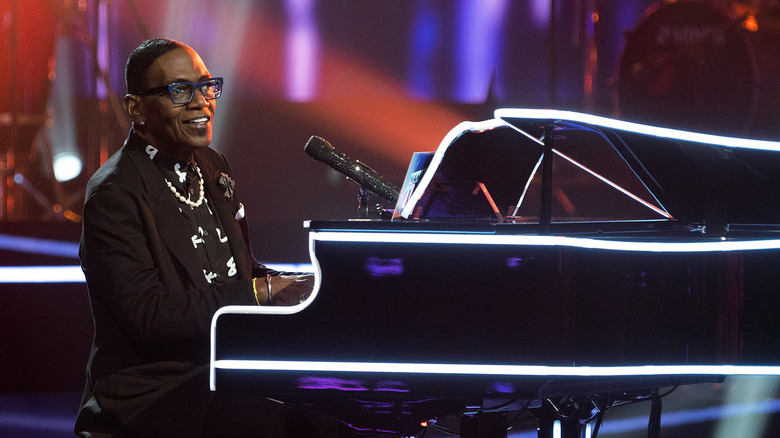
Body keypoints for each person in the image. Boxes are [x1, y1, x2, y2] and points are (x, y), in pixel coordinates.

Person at [74, 38, 346, 437]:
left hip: (225, 369)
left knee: (340, 408)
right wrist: (263, 292)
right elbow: (150, 316)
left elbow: (242, 273)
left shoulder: (211, 166)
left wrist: (309, 290)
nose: (202, 102)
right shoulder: (114, 194)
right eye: (180, 91)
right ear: (136, 109)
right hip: (156, 392)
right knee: (296, 425)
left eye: (206, 86)